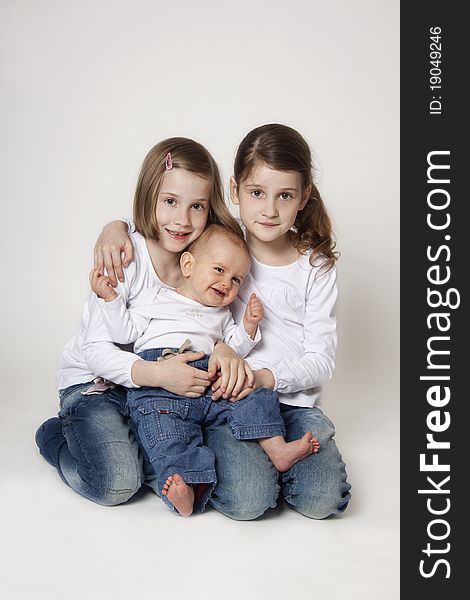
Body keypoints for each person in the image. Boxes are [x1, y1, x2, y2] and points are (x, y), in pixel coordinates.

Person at [94, 124, 351, 519]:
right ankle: (222, 463)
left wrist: (261, 376)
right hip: (224, 399)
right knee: (249, 501)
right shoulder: (219, 242)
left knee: (321, 501)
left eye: (285, 195)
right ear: (234, 191)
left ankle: (272, 461)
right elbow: (166, 238)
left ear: (304, 197)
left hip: (290, 400)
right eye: (256, 193)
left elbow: (322, 361)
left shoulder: (314, 266)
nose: (269, 210)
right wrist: (114, 228)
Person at [35, 137, 254, 506]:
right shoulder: (126, 258)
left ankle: (141, 450)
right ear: (149, 195)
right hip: (97, 384)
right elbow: (95, 351)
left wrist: (225, 347)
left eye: (196, 206)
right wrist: (156, 374)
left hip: (154, 395)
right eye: (170, 202)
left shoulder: (208, 258)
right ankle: (55, 436)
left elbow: (211, 323)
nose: (182, 220)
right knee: (117, 484)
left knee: (185, 465)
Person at [89, 223, 319, 516]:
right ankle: (185, 491)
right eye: (219, 270)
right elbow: (125, 331)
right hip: (160, 384)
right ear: (188, 264)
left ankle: (276, 448)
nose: (227, 283)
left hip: (210, 384)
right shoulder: (155, 297)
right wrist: (110, 300)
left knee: (253, 394)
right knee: (167, 435)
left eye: (236, 279)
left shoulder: (222, 315)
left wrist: (248, 325)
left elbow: (234, 348)